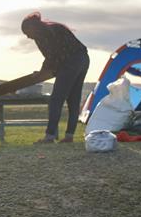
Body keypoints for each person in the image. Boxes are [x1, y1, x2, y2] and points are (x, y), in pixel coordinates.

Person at [20, 12, 89, 143]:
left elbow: (50, 58)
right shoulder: (52, 28)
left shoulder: (43, 35)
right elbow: (54, 57)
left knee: (56, 99)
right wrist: (43, 72)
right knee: (73, 99)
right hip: (83, 59)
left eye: (27, 33)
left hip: (72, 61)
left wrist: (41, 73)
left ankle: (50, 136)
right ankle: (69, 136)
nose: (28, 37)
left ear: (33, 28)